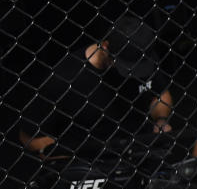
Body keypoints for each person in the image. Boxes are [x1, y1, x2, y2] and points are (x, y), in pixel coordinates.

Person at [18, 14, 174, 160]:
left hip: (139, 148)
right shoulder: (64, 78)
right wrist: (67, 155)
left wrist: (161, 120)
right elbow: (30, 137)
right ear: (105, 46)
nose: (133, 74)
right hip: (91, 160)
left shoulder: (144, 57)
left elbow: (160, 94)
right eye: (125, 66)